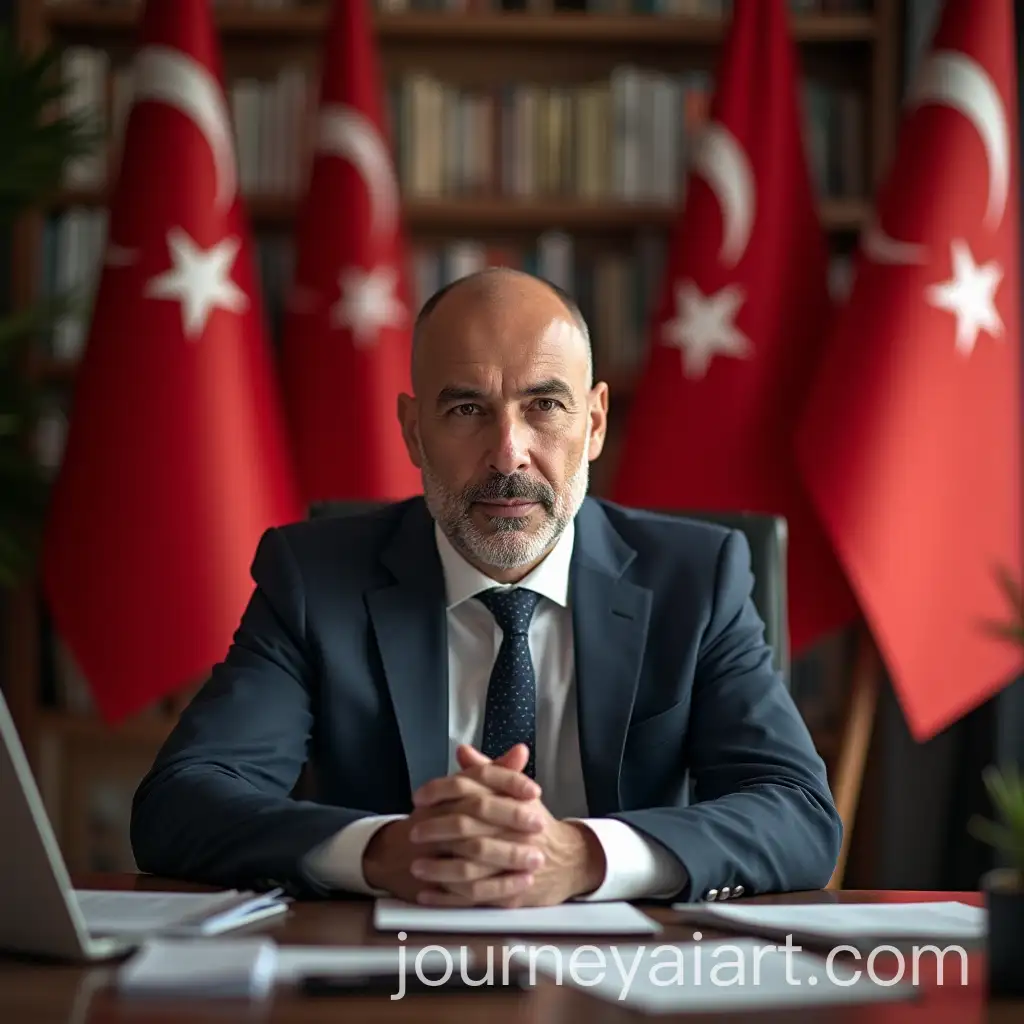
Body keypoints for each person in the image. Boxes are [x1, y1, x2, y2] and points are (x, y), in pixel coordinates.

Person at [130, 268, 842, 906]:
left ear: (593, 423)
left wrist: (585, 857)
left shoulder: (696, 579)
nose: (508, 454)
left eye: (544, 406)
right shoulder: (316, 581)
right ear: (413, 431)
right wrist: (384, 852)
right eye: (467, 409)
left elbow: (799, 814)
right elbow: (181, 804)